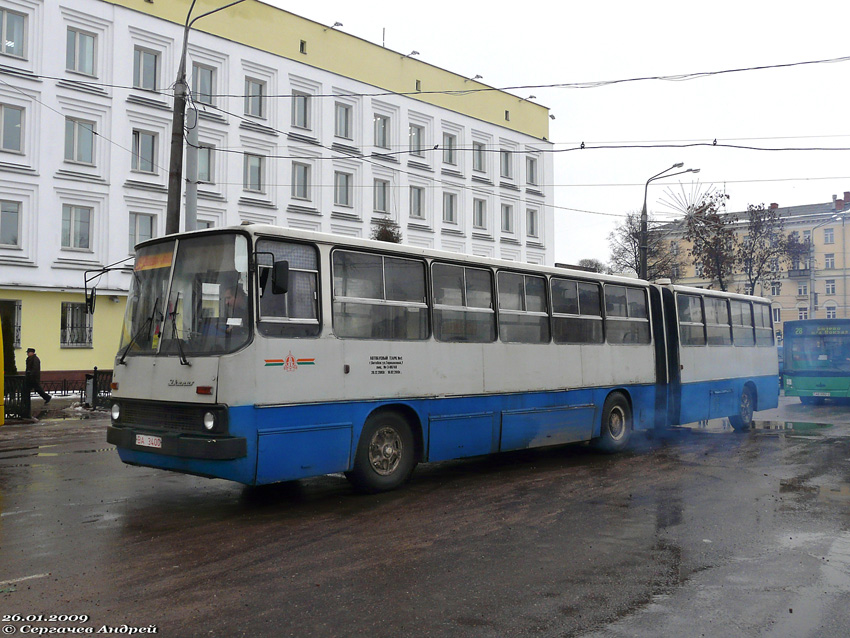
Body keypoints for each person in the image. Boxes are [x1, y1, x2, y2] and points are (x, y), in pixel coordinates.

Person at [25, 347, 51, 417]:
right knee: (29, 389)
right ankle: (26, 401)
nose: (27, 353)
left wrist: (31, 374)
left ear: (32, 353)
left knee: (37, 389)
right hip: (30, 377)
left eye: (28, 352)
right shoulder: (30, 359)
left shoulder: (35, 359)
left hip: (33, 378)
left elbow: (35, 369)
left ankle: (47, 397)